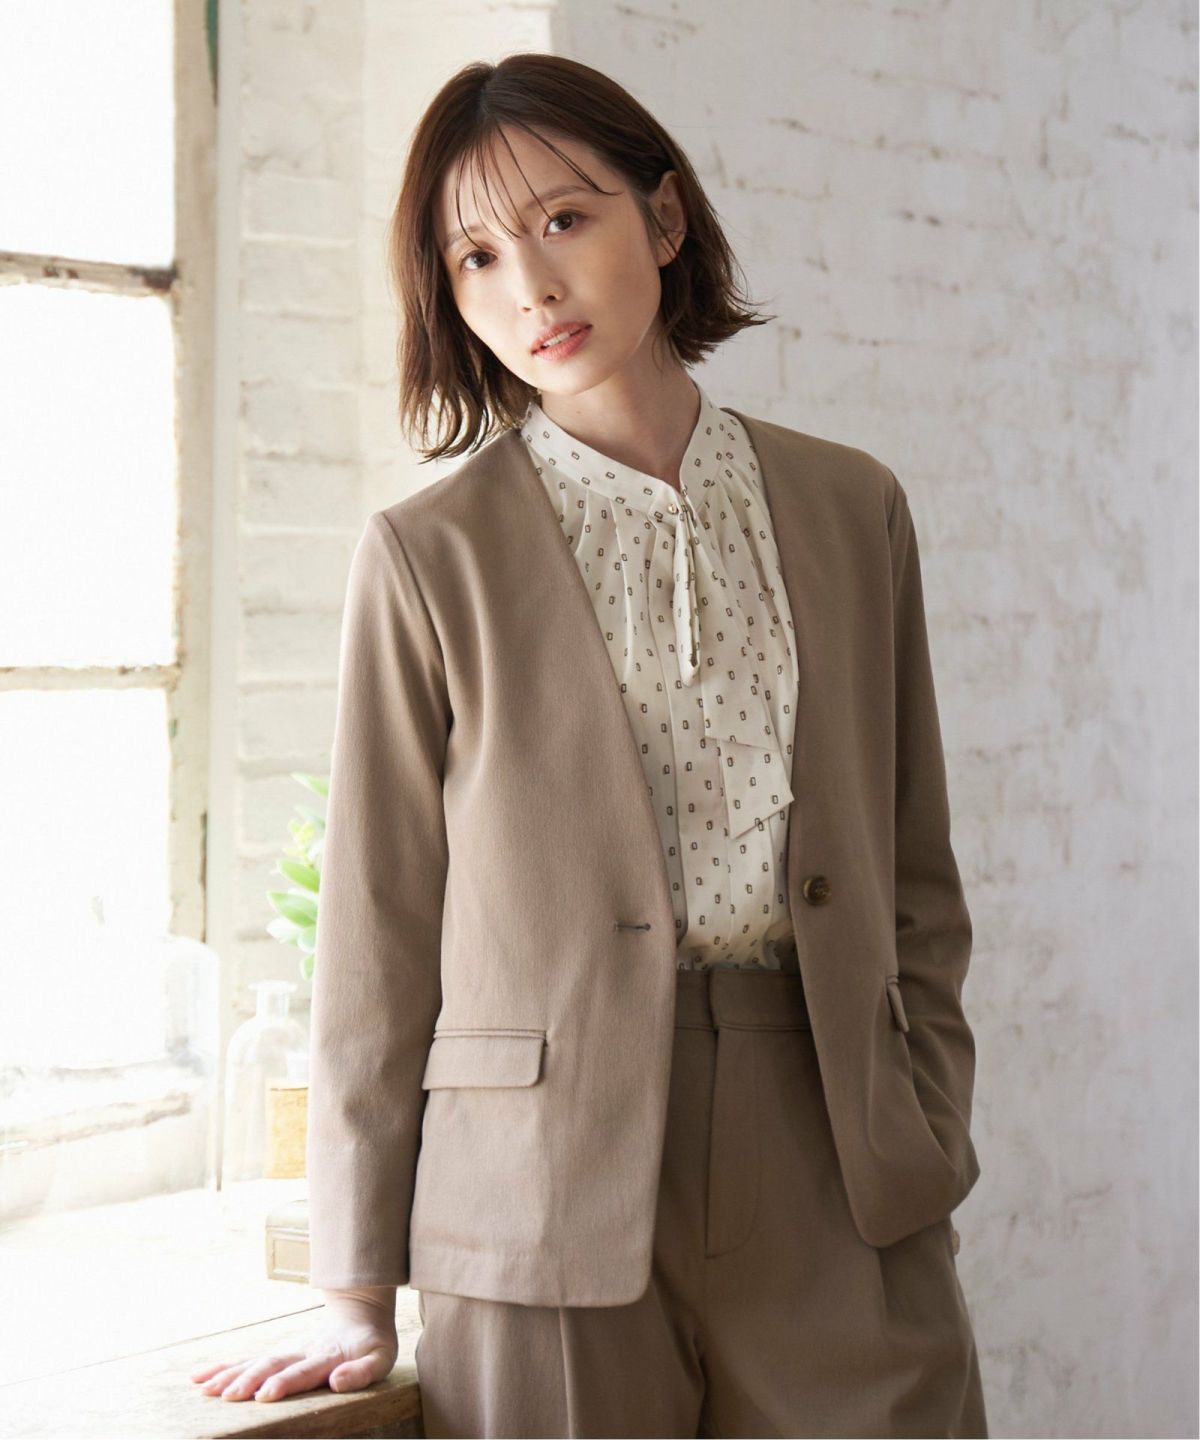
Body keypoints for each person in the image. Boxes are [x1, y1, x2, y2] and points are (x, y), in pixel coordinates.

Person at [190, 52, 987, 1438]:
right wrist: (355, 1286)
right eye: (477, 257)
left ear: (663, 219)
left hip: (835, 1155)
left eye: (565, 220)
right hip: (538, 1196)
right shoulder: (429, 558)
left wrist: (925, 1120)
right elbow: (378, 934)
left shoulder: (852, 508)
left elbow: (917, 869)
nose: (531, 288)